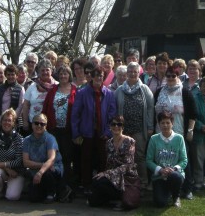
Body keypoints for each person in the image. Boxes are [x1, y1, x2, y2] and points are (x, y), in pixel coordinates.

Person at [71, 65, 116, 193]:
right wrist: (76, 133)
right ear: (91, 77)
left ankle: (100, 185)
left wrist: (108, 132)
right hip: (87, 133)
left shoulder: (109, 94)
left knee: (103, 160)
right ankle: (86, 186)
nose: (98, 78)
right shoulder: (82, 93)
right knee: (86, 160)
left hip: (103, 133)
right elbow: (75, 114)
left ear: (104, 77)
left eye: (101, 76)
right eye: (96, 75)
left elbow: (112, 115)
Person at [154, 66, 196, 200]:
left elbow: (193, 114)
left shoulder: (185, 92)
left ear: (178, 76)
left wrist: (190, 130)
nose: (171, 78)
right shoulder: (160, 91)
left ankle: (187, 188)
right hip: (161, 131)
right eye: (168, 76)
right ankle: (163, 187)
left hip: (179, 132)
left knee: (184, 160)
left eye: (173, 76)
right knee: (162, 158)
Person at [115, 62, 154, 190]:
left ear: (139, 73)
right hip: (124, 129)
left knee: (139, 156)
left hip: (139, 129)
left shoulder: (145, 89)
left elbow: (150, 109)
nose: (132, 74)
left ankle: (143, 182)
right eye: (130, 71)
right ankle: (126, 182)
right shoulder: (119, 90)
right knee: (124, 156)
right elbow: (115, 109)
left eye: (135, 72)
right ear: (126, 73)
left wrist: (149, 127)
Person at [88, 116, 139, 210]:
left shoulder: (129, 141)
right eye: (113, 124)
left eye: (119, 124)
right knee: (93, 199)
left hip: (126, 176)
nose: (116, 126)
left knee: (100, 182)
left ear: (123, 127)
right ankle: (109, 198)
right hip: (113, 176)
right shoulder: (108, 143)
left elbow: (128, 165)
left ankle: (121, 199)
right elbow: (109, 164)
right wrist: (105, 174)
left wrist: (107, 174)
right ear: (110, 127)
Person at [23, 113, 71, 203]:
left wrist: (40, 172)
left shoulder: (50, 139)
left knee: (48, 171)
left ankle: (52, 193)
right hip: (37, 170)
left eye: (42, 124)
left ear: (46, 126)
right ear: (32, 124)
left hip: (52, 170)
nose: (39, 126)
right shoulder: (26, 140)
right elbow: (26, 162)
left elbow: (51, 160)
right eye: (36, 123)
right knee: (33, 198)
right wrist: (41, 165)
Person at [42, 65, 77, 185]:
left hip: (68, 130)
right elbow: (45, 108)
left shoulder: (75, 90)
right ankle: (54, 183)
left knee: (67, 157)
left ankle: (66, 185)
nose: (63, 76)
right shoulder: (53, 90)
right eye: (61, 73)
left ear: (69, 75)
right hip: (54, 129)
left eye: (65, 73)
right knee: (54, 157)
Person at [146, 112, 187, 208]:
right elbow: (148, 160)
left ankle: (176, 197)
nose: (165, 125)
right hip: (159, 176)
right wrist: (160, 170)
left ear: (172, 123)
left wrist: (174, 169)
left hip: (174, 174)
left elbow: (184, 160)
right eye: (162, 123)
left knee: (175, 177)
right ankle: (167, 192)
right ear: (159, 124)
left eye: (168, 122)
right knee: (160, 203)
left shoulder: (179, 138)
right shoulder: (153, 139)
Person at [0, 108, 24, 200]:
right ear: (1, 121)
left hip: (15, 171)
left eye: (9, 120)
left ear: (14, 123)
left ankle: (9, 186)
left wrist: (0, 164)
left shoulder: (19, 139)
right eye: (4, 120)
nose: (7, 123)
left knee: (12, 197)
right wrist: (6, 168)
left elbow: (19, 161)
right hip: (2, 170)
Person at [22, 59, 58, 135]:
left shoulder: (57, 86)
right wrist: (25, 122)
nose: (45, 72)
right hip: (34, 124)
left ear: (51, 71)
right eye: (42, 70)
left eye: (47, 70)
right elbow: (25, 105)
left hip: (51, 125)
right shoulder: (32, 86)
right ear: (38, 72)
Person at [0, 64, 24, 130]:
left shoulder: (21, 89)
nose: (10, 77)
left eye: (12, 74)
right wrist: (0, 119)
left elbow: (21, 106)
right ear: (5, 75)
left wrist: (10, 120)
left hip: (13, 123)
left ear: (16, 76)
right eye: (8, 74)